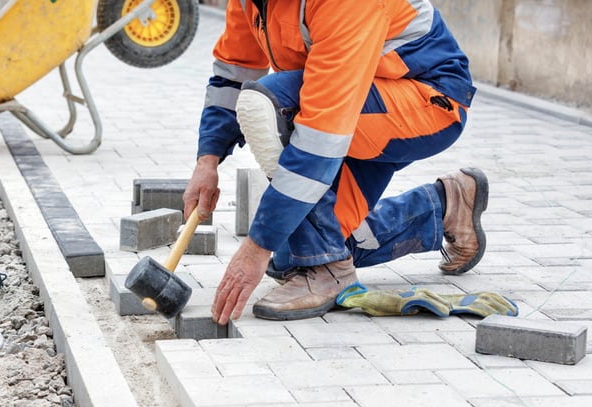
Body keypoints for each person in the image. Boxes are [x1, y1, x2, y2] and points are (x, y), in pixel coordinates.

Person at [182, 0, 487, 325]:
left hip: (425, 99)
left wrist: (256, 247)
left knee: (270, 105)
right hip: (352, 100)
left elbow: (318, 139)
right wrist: (208, 160)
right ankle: (442, 206)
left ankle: (328, 272)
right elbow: (234, 71)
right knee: (293, 257)